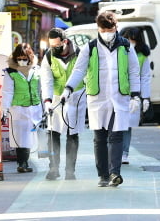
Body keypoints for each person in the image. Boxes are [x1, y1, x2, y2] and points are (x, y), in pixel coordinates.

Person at [62, 11, 140, 187]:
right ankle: (103, 175)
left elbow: (134, 72)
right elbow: (79, 70)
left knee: (116, 135)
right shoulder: (90, 47)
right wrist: (68, 88)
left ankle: (115, 173)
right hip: (98, 98)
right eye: (103, 29)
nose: (107, 32)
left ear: (116, 27)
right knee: (99, 138)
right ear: (98, 28)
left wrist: (136, 95)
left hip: (119, 98)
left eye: (110, 28)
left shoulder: (126, 46)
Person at [40, 28, 87, 181]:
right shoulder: (48, 56)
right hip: (56, 98)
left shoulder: (80, 54)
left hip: (76, 97)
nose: (54, 49)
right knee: (53, 133)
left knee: (72, 134)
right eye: (52, 46)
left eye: (57, 46)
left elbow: (85, 74)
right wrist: (47, 101)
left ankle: (70, 171)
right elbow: (46, 80)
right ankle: (53, 168)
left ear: (65, 42)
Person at [1, 43, 43, 173]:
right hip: (18, 108)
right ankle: (22, 163)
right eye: (19, 58)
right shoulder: (10, 72)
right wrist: (5, 109)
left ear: (30, 57)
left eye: (24, 58)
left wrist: (46, 105)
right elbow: (7, 91)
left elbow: (41, 89)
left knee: (30, 135)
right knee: (20, 137)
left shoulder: (37, 70)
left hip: (34, 106)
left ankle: (24, 162)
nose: (22, 61)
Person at [121, 28, 152, 164]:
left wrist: (145, 97)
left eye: (133, 40)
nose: (130, 42)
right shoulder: (118, 52)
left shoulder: (142, 56)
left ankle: (124, 153)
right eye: (128, 39)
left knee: (127, 126)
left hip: (132, 95)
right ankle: (114, 151)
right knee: (115, 125)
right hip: (118, 93)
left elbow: (145, 78)